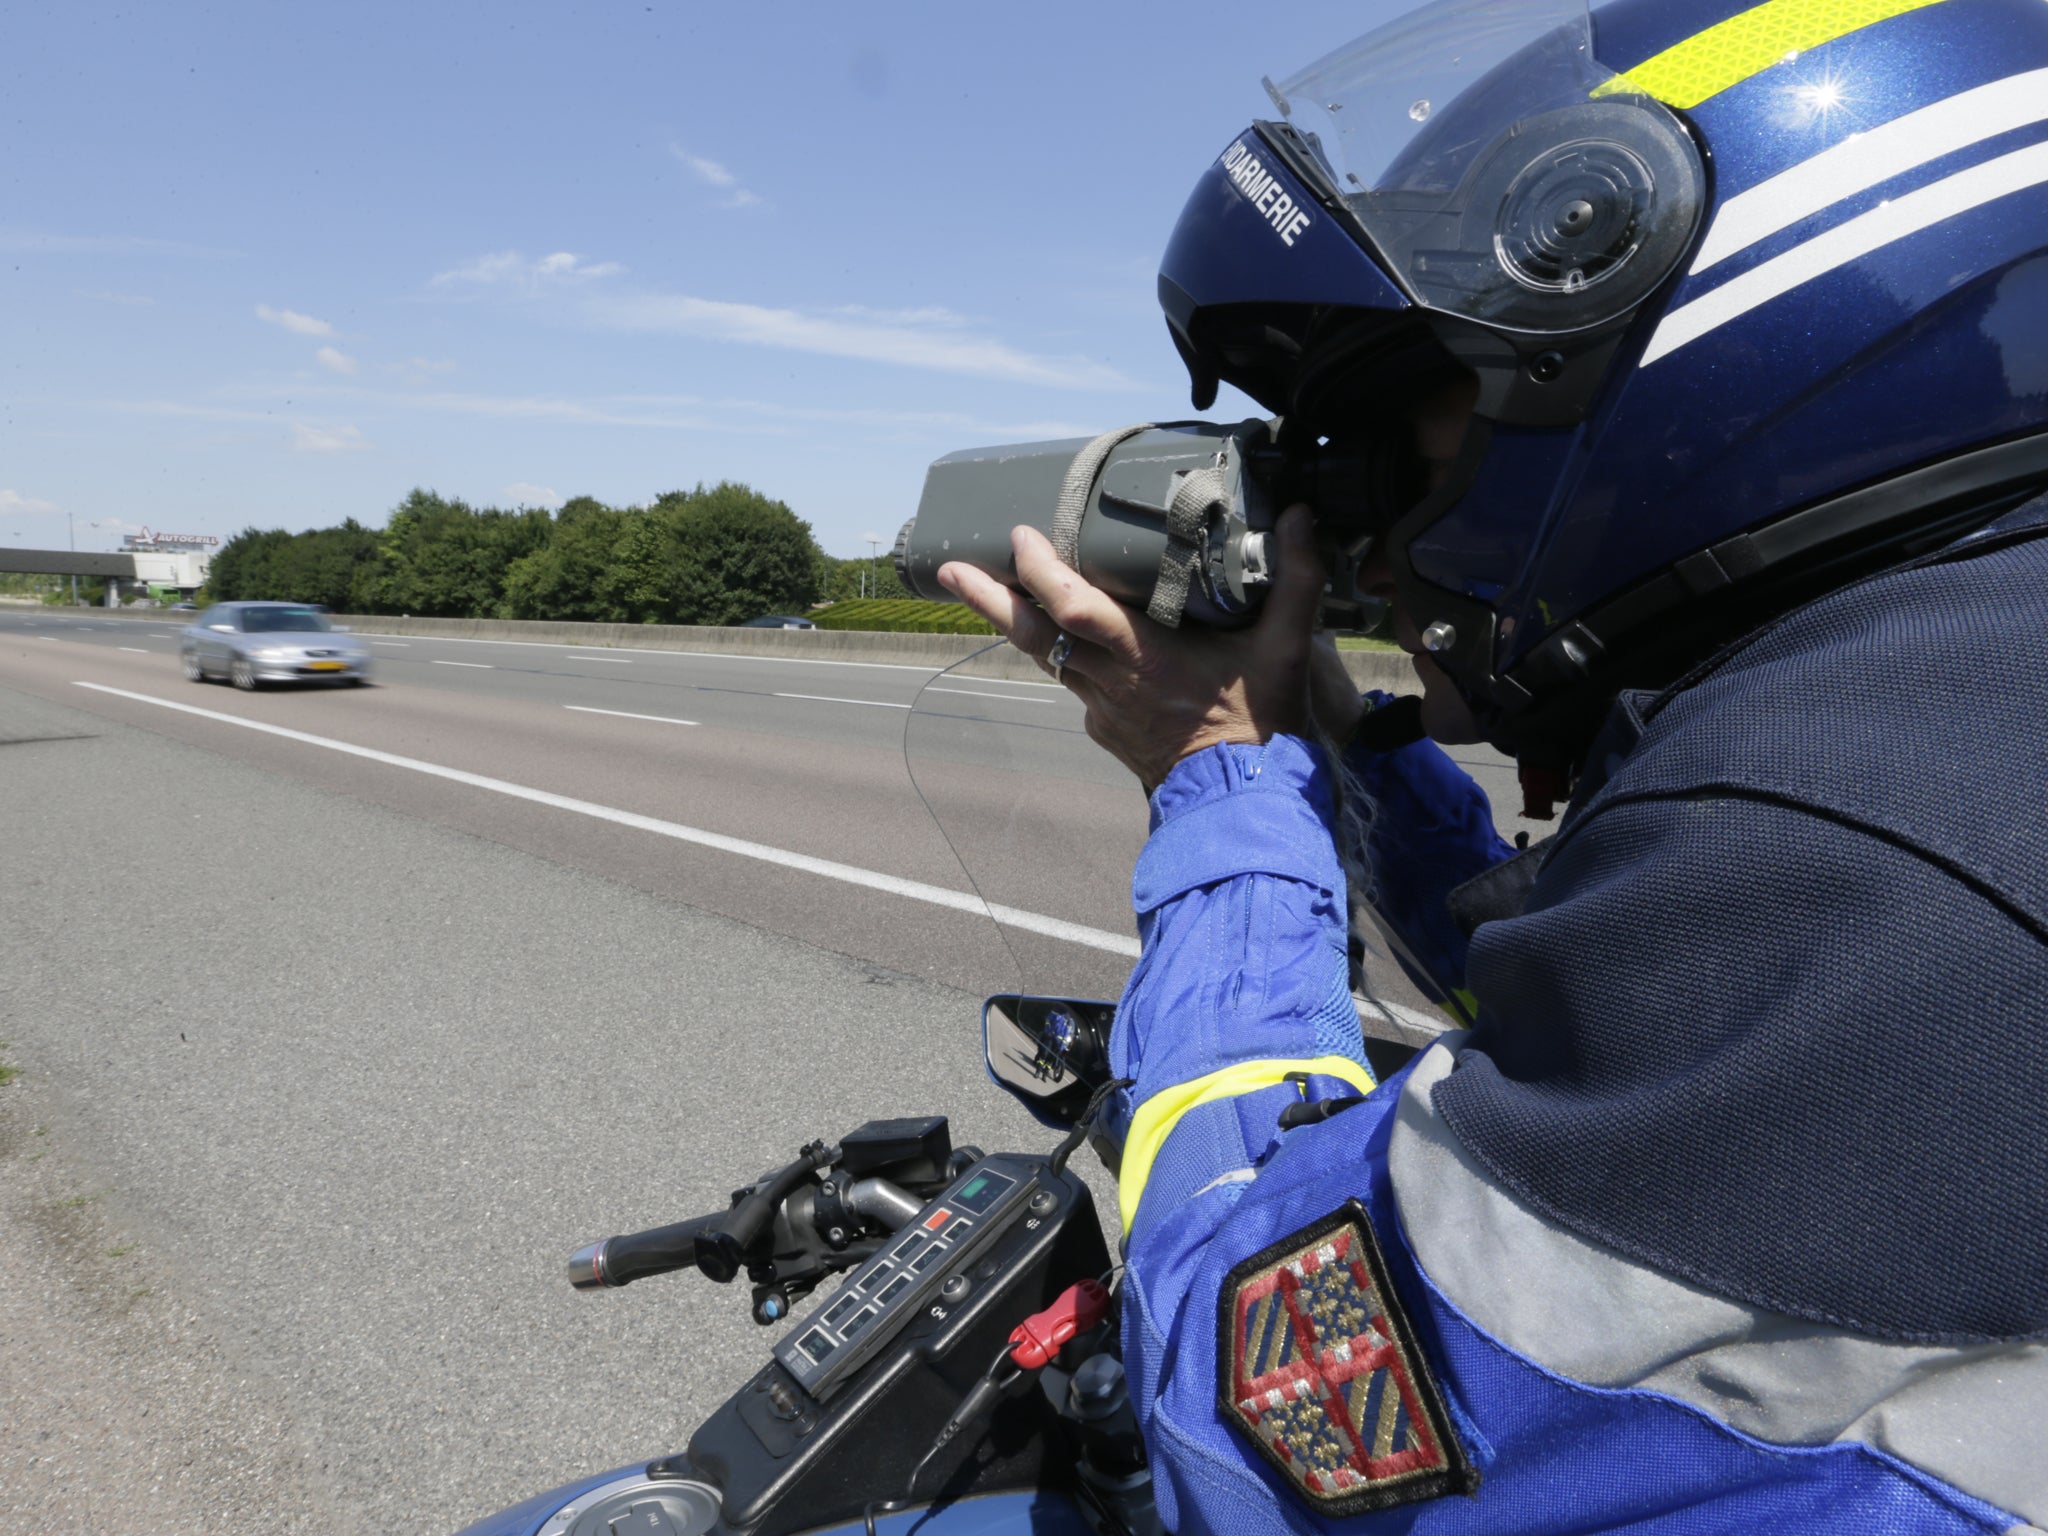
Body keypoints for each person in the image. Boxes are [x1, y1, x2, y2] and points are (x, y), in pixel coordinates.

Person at [941, 0, 2048, 1528]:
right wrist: (1332, 732)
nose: (1360, 526)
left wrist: (1211, 770)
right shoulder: (1935, 711)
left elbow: (1257, 1419)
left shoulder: (1841, 871)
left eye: (1390, 427)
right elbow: (1592, 983)